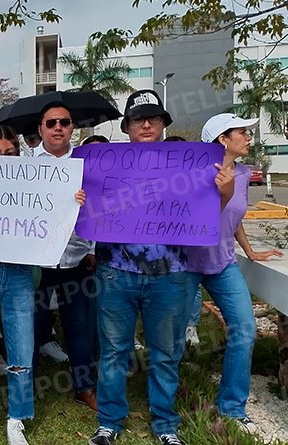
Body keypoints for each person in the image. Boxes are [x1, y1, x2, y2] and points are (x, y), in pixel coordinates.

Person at [88, 90, 234, 445]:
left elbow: (206, 216)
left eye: (154, 118)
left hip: (170, 275)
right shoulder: (103, 165)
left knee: (165, 353)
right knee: (113, 352)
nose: (148, 124)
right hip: (115, 273)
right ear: (127, 126)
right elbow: (82, 209)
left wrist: (225, 192)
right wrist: (80, 201)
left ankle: (166, 425)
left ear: (164, 124)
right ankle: (108, 421)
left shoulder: (189, 165)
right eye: (139, 118)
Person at [0, 125, 85, 445]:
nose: (3, 160)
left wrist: (70, 201)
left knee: (21, 348)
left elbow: (53, 217)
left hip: (20, 275)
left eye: (10, 153)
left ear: (18, 155)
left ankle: (16, 419)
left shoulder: (31, 182)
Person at [184, 113, 283, 425]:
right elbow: (197, 220)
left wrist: (250, 250)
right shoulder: (194, 174)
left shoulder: (243, 173)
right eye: (243, 132)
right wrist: (221, 195)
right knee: (170, 336)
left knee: (245, 329)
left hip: (224, 262)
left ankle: (231, 407)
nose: (249, 138)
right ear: (223, 140)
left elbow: (235, 217)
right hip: (186, 264)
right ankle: (169, 398)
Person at [32, 103, 98, 411]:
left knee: (80, 327)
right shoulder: (23, 165)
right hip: (36, 263)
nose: (58, 127)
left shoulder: (87, 164)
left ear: (72, 127)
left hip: (77, 258)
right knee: (30, 325)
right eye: (51, 122)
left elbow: (102, 210)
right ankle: (26, 387)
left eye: (65, 122)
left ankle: (84, 387)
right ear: (41, 129)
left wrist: (94, 249)